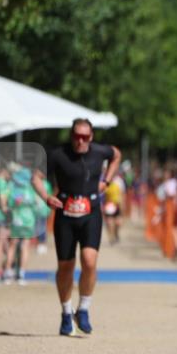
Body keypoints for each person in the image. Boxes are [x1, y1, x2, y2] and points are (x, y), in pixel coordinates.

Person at [33, 118, 121, 335]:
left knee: (89, 262)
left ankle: (83, 309)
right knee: (66, 267)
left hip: (90, 213)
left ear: (91, 137)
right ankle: (65, 313)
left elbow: (116, 155)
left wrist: (106, 181)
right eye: (76, 136)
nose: (80, 141)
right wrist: (46, 197)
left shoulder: (100, 152)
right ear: (71, 136)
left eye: (85, 137)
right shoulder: (57, 154)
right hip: (65, 214)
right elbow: (35, 177)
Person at [3, 164, 45, 286]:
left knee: (12, 246)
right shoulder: (31, 189)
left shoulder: (12, 187)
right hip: (28, 221)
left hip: (16, 220)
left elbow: (8, 203)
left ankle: (7, 272)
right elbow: (39, 207)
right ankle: (21, 274)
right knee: (24, 247)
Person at [102, 172, 125, 244]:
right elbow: (102, 195)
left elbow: (122, 194)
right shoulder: (104, 181)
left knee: (118, 223)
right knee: (109, 223)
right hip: (108, 205)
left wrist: (122, 206)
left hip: (117, 204)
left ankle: (116, 233)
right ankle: (111, 237)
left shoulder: (119, 181)